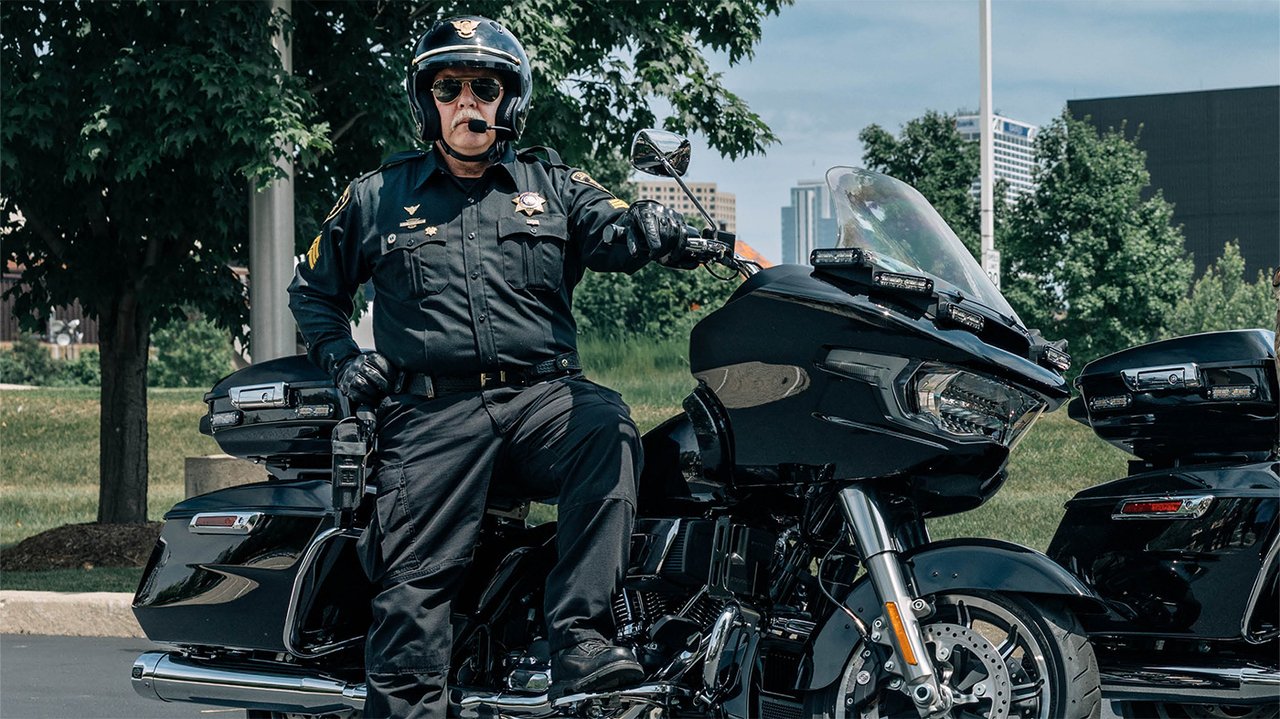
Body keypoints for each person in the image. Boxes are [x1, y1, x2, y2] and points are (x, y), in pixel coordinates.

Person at [287, 15, 694, 719]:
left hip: (543, 402)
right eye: (448, 88)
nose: (466, 101)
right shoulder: (379, 195)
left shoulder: (553, 183)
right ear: (429, 103)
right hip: (432, 414)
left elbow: (612, 228)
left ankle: (581, 640)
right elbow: (312, 292)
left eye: (484, 87)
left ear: (510, 100)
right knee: (412, 600)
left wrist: (648, 227)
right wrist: (342, 359)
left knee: (608, 428)